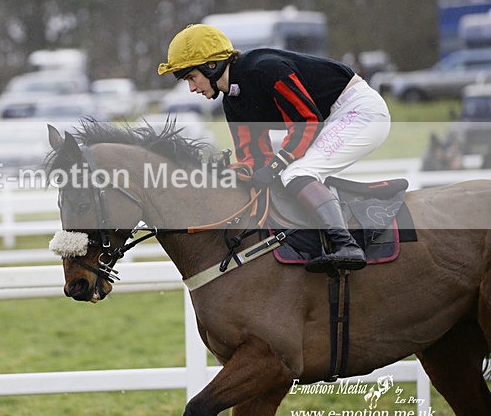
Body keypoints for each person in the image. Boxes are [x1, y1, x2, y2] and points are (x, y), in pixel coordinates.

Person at [158, 24, 391, 272]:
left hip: (359, 110)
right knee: (285, 175)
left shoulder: (264, 69)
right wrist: (229, 174)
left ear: (211, 66)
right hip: (330, 118)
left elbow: (306, 121)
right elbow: (252, 158)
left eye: (191, 78)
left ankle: (347, 245)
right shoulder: (232, 102)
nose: (192, 88)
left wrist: (276, 165)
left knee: (296, 173)